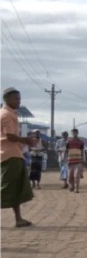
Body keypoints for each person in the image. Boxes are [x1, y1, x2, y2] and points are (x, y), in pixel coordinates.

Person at [1, 88, 36, 227]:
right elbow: (9, 136)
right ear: (7, 100)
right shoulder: (6, 115)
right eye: (16, 99)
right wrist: (25, 140)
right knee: (6, 187)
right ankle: (18, 218)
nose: (19, 101)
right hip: (9, 155)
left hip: (15, 154)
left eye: (19, 99)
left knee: (16, 188)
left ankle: (19, 219)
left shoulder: (10, 114)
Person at [66, 128, 86, 193]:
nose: (74, 134)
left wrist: (83, 159)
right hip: (70, 160)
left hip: (79, 160)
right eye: (73, 132)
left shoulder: (81, 142)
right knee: (70, 176)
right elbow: (66, 151)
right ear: (71, 133)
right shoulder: (68, 141)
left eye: (75, 132)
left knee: (76, 175)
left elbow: (82, 151)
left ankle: (76, 188)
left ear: (77, 133)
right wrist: (65, 158)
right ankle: (71, 186)